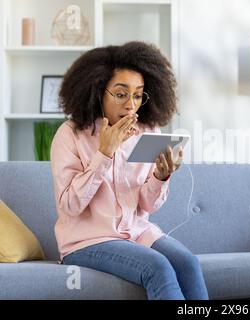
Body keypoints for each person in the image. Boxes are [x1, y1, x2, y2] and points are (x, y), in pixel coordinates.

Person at [50, 41, 209, 300]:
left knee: (188, 264)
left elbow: (148, 205)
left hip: (137, 232)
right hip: (87, 242)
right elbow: (69, 206)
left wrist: (160, 176)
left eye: (138, 95)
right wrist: (103, 154)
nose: (131, 105)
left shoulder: (148, 131)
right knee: (157, 267)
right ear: (99, 90)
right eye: (121, 94)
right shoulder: (70, 135)